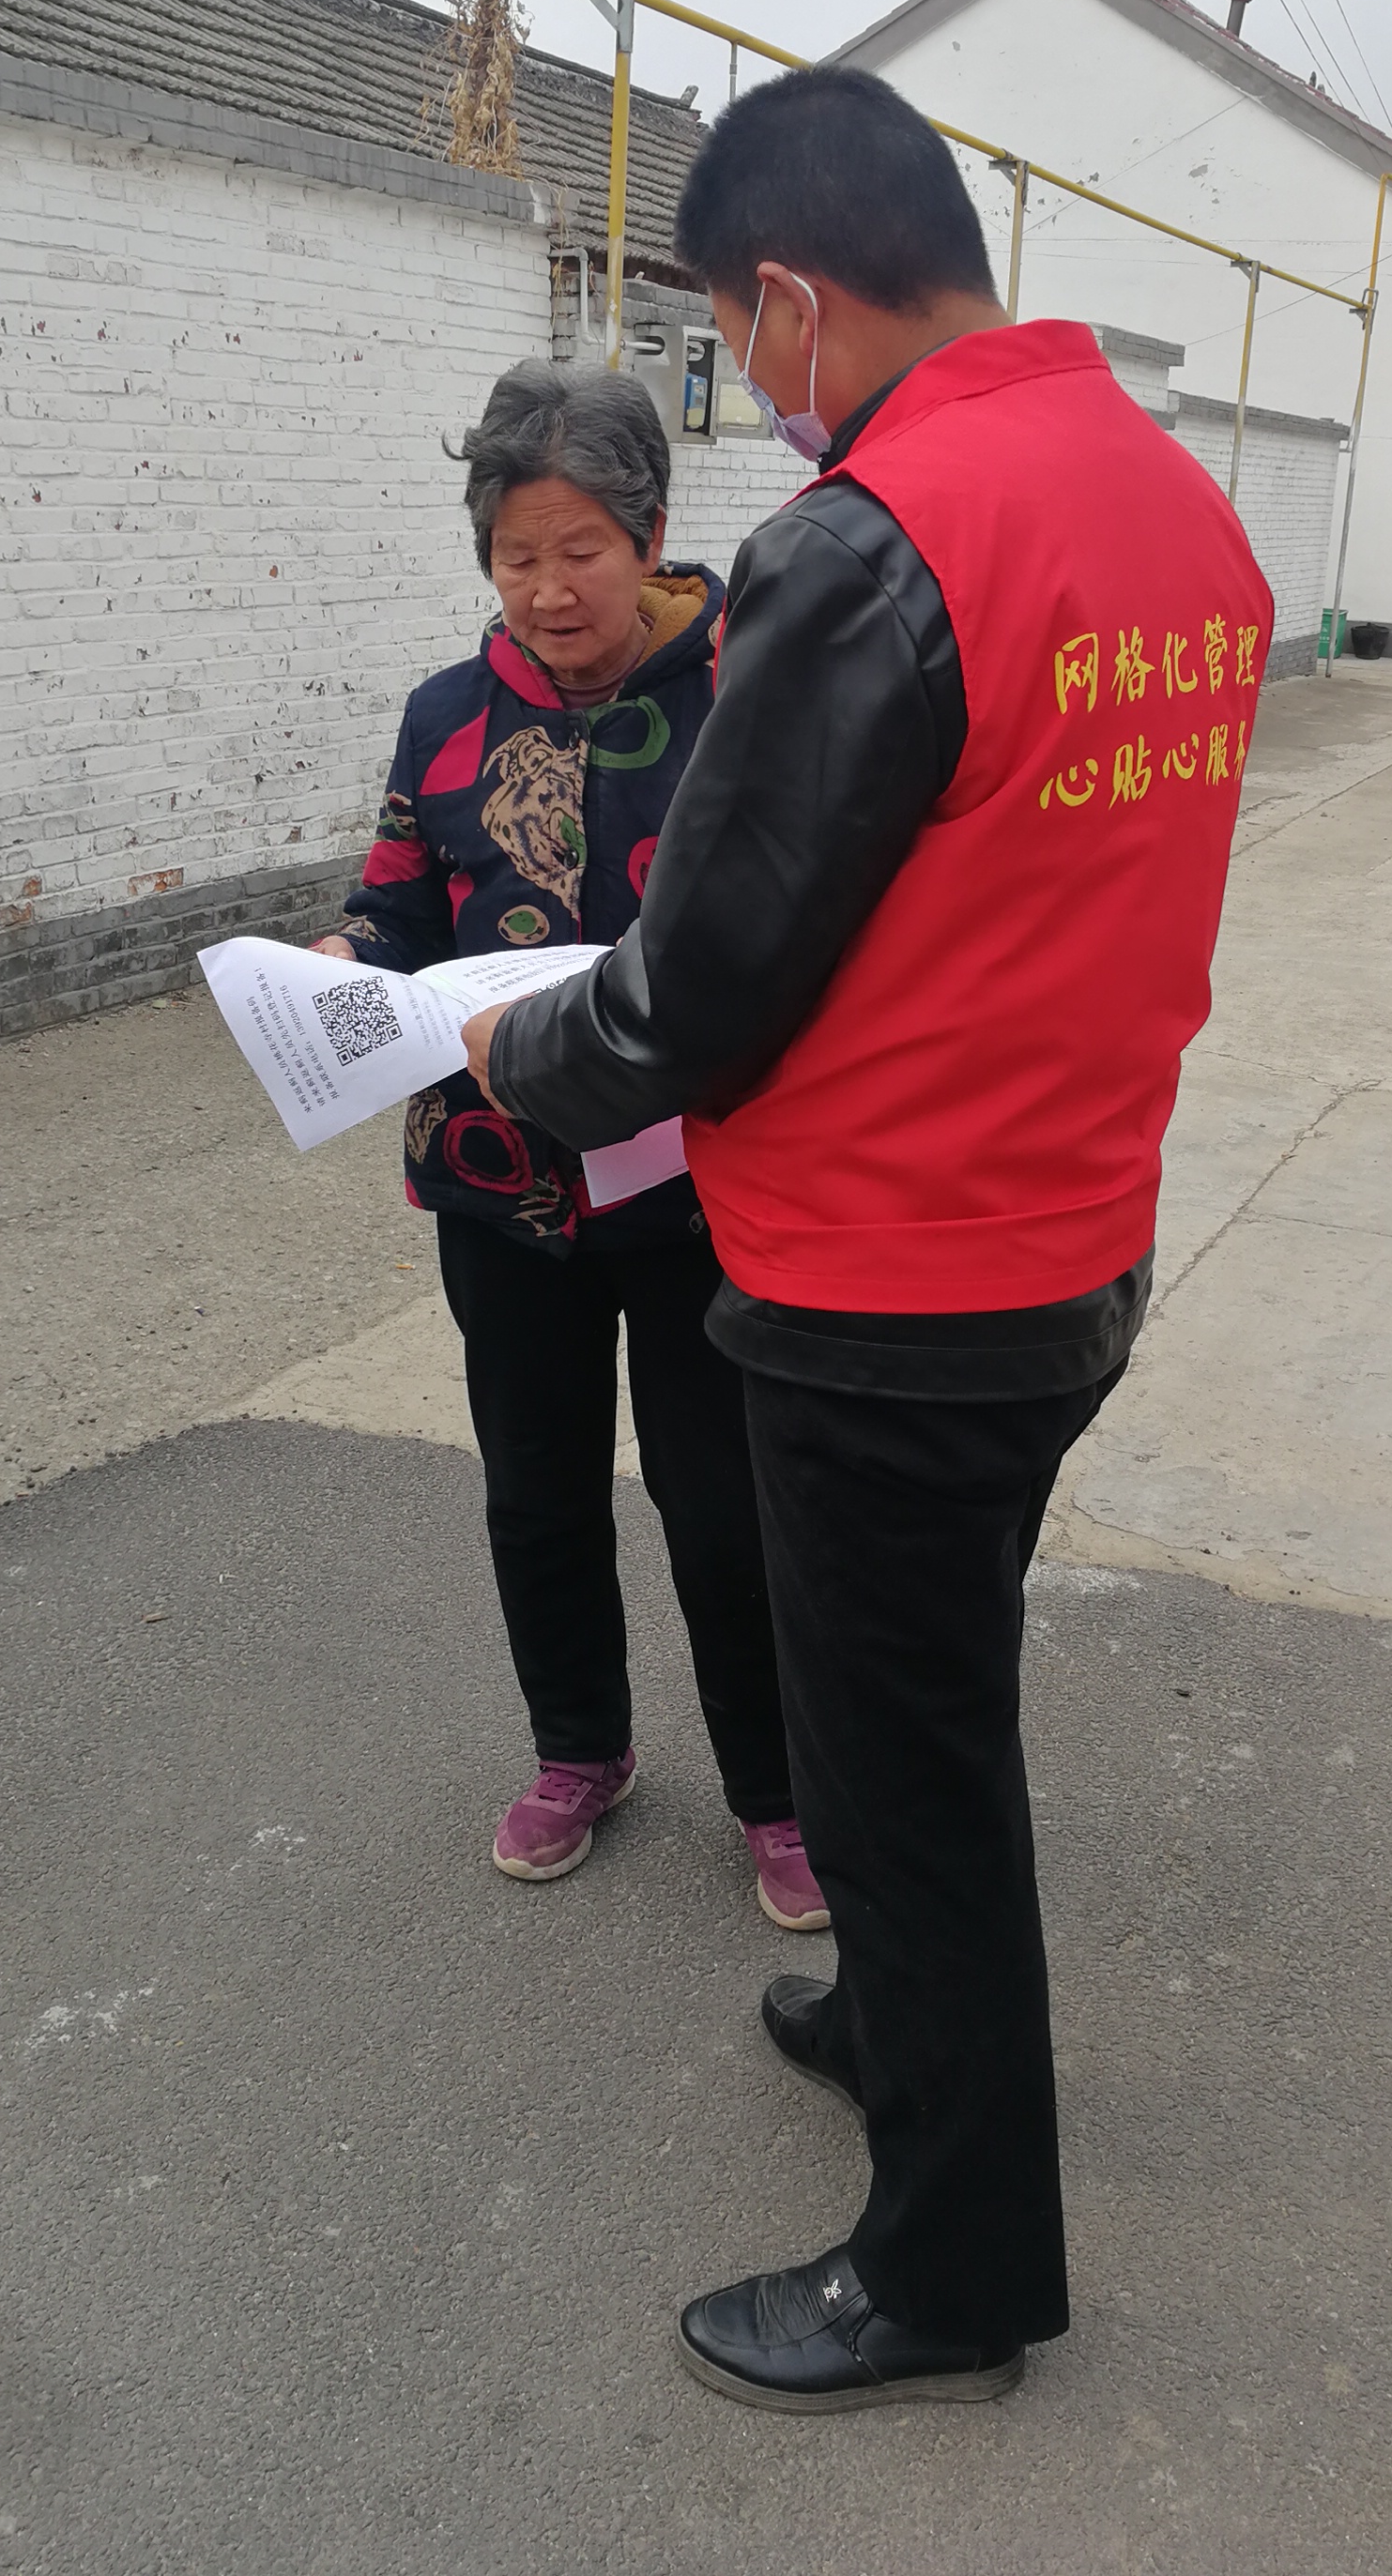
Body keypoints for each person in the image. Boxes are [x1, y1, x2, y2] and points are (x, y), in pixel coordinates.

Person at [460, 67, 1274, 2412]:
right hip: (1070, 1243)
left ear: (793, 299)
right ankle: (895, 2018)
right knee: (927, 1704)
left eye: (738, 337)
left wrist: (513, 1049)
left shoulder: (875, 541)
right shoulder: (1172, 505)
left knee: (900, 1770)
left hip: (885, 1287)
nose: (754, 384)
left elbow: (699, 983)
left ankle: (947, 2268)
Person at [316, 361, 826, 1936]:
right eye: (515, 558)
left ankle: (777, 1791)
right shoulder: (446, 717)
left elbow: (803, 921)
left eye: (580, 551)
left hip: (700, 1193)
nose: (547, 591)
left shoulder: (747, 693)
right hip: (503, 1186)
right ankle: (578, 1751)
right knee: (537, 1491)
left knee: (720, 1503)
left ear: (652, 535)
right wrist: (346, 962)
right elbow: (398, 900)